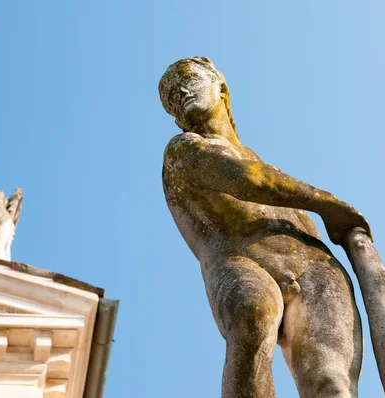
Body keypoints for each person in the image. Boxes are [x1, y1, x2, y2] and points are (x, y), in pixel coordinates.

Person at [159, 57, 371, 398]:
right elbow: (250, 181)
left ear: (220, 87)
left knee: (332, 383)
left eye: (188, 79)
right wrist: (327, 205)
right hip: (240, 260)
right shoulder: (183, 150)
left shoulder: (254, 154)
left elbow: (260, 174)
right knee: (252, 314)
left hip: (314, 266)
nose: (179, 92)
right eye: (169, 97)